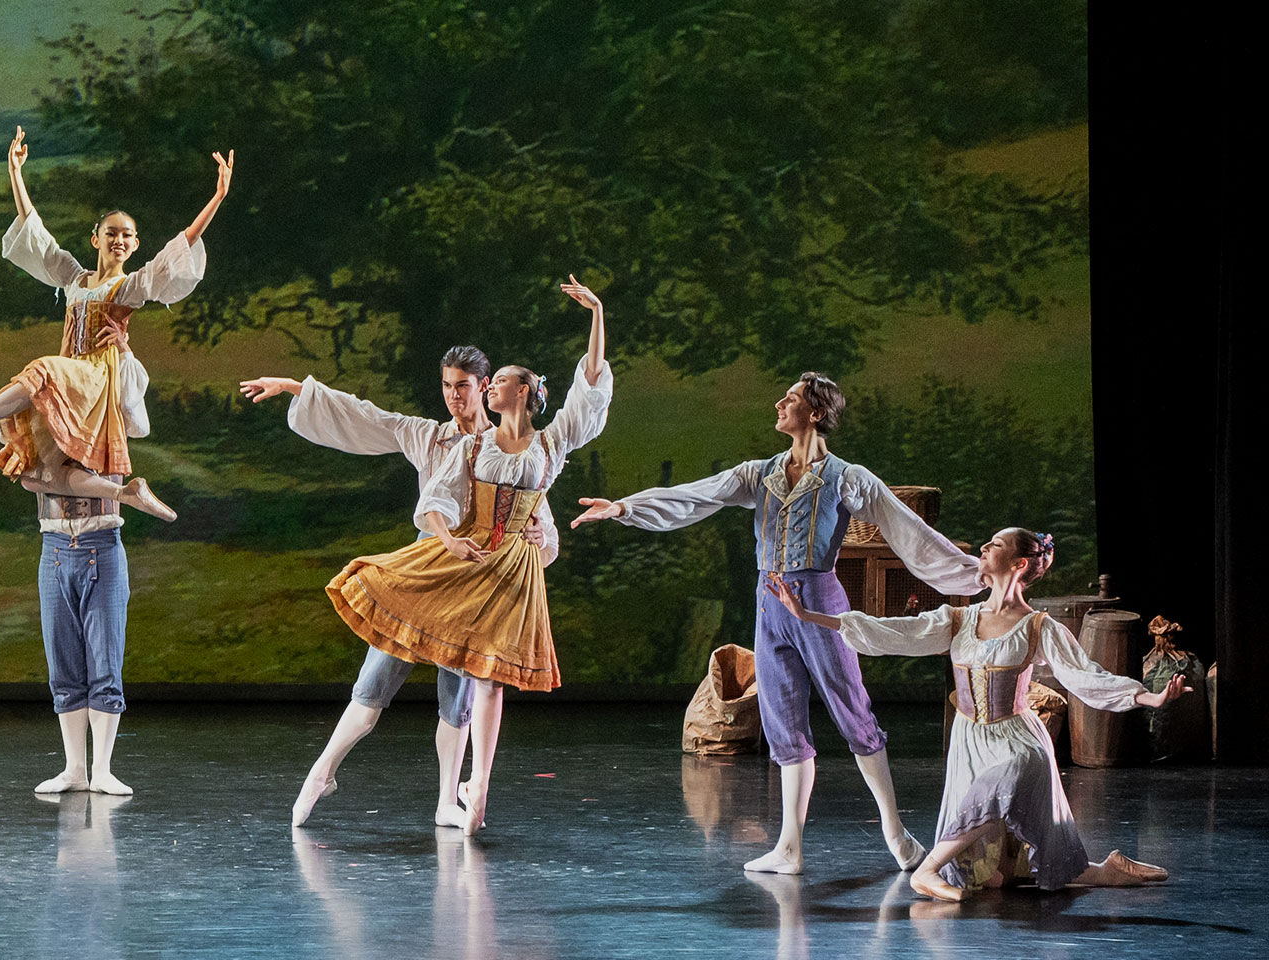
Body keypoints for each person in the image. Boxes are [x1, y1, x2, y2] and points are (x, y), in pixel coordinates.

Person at [572, 372, 972, 873]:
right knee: (783, 721)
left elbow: (907, 530)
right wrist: (626, 508)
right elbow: (698, 496)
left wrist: (974, 573)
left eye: (792, 399)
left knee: (854, 713)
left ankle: (896, 833)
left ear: (817, 413)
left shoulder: (847, 477)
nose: (778, 404)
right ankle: (789, 846)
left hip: (820, 602)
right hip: (769, 606)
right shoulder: (757, 474)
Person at [316, 277, 610, 834]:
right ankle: (335, 773)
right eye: (454, 385)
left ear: (505, 390)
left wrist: (597, 315)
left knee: (477, 687)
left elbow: (587, 396)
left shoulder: (541, 445)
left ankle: (462, 796)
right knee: (381, 680)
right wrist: (449, 539)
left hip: (497, 573)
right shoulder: (450, 442)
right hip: (441, 568)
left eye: (483, 383)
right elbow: (379, 430)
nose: (464, 393)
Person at [237, 345, 561, 827]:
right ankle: (321, 772)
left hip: (480, 581)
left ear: (486, 386)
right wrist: (296, 389)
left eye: (464, 386)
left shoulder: (513, 448)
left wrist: (538, 535)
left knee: (459, 701)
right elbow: (368, 418)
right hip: (427, 567)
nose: (454, 396)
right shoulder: (428, 436)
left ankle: (447, 801)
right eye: (447, 386)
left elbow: (541, 523)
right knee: (372, 688)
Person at [768, 528, 1185, 901]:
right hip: (970, 742)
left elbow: (1083, 675)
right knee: (996, 878)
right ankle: (1108, 869)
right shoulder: (959, 620)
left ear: (1019, 563)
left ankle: (926, 870)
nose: (984, 548)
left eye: (995, 545)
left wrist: (1145, 697)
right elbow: (891, 631)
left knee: (1019, 767)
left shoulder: (1039, 627)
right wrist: (808, 616)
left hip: (1016, 736)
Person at [0, 128, 233, 521]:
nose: (119, 240)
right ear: (95, 239)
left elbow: (176, 251)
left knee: (41, 369)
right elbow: (37, 234)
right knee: (37, 474)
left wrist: (217, 198)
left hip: (98, 377)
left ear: (135, 245)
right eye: (111, 233)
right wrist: (16, 173)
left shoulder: (128, 286)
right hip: (72, 375)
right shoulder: (74, 277)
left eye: (127, 236)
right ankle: (127, 492)